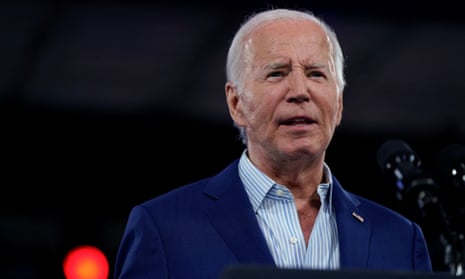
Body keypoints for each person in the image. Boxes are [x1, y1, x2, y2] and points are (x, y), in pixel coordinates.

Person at [114, 8, 433, 279]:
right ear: (236, 103)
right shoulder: (164, 228)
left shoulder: (401, 240)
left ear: (338, 104)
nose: (299, 90)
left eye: (316, 74)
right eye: (277, 73)